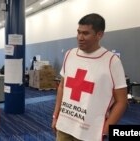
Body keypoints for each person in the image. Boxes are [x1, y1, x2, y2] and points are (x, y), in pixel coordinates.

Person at [51, 13, 128, 141]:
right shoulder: (70, 54)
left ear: (99, 35)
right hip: (65, 125)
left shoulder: (111, 61)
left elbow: (121, 101)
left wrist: (105, 130)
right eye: (78, 32)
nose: (80, 37)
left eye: (86, 33)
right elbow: (62, 87)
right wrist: (55, 116)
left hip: (90, 131)